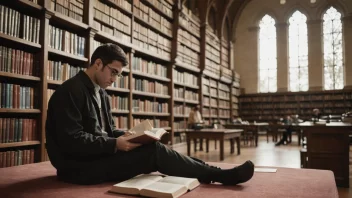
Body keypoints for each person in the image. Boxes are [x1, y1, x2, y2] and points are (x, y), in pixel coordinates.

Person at [46, 43, 254, 186]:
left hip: (98, 157)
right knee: (153, 152)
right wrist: (114, 144)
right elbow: (71, 141)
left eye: (119, 74)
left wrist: (127, 135)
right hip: (78, 169)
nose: (115, 79)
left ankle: (212, 170)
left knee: (150, 145)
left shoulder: (101, 93)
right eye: (114, 72)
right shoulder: (70, 91)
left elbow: (106, 132)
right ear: (98, 63)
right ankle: (218, 175)